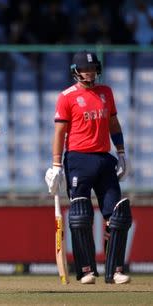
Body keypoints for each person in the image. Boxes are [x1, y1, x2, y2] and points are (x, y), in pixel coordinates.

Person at [44, 51, 132, 285]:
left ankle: (115, 271)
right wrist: (55, 164)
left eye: (93, 69)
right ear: (76, 71)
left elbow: (113, 123)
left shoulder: (106, 92)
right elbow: (60, 132)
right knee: (80, 216)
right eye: (85, 69)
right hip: (78, 160)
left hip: (104, 159)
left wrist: (121, 153)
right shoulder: (66, 97)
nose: (90, 73)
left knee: (118, 216)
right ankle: (86, 270)